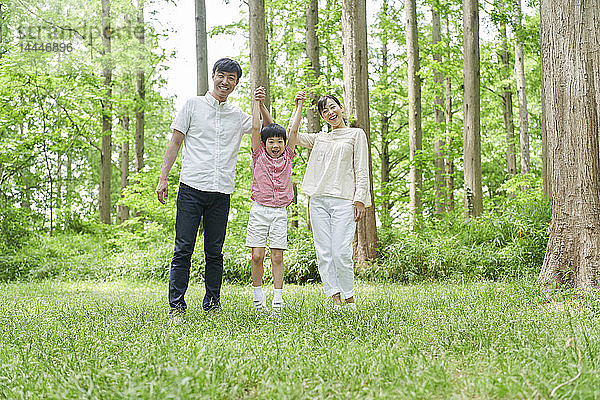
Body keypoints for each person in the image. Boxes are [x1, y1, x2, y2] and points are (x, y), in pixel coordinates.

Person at [156, 58, 272, 320]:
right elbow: (175, 142)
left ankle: (212, 303)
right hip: (191, 188)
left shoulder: (238, 116)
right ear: (213, 76)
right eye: (221, 75)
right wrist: (163, 178)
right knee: (183, 248)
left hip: (221, 192)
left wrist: (260, 105)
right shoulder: (192, 105)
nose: (225, 82)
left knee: (214, 251)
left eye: (231, 78)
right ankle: (177, 305)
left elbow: (268, 130)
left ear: (236, 83)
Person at [297, 94, 371, 310]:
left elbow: (362, 167)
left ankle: (350, 299)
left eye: (332, 107)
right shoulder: (320, 138)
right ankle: (335, 299)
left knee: (341, 251)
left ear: (341, 107)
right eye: (324, 111)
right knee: (324, 252)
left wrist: (360, 200)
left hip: (344, 200)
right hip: (318, 201)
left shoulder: (356, 134)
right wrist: (299, 107)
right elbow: (291, 135)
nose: (330, 113)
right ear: (322, 116)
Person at [246, 89, 305, 311]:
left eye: (279, 141)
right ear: (264, 144)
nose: (276, 145)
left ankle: (278, 300)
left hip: (280, 211)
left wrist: (298, 105)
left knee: (277, 256)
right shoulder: (258, 155)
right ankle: (257, 298)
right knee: (257, 255)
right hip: (259, 210)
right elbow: (255, 127)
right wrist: (257, 102)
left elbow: (293, 129)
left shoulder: (288, 156)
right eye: (271, 141)